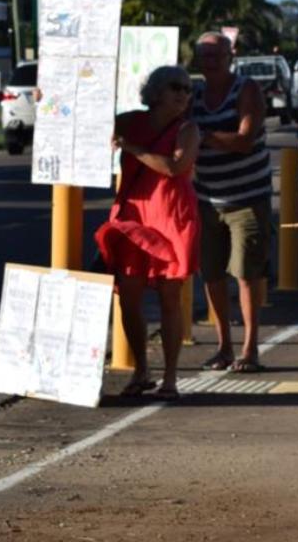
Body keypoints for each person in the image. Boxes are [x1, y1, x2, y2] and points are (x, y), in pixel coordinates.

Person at [95, 65, 200, 401]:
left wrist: (132, 148)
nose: (183, 94)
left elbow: (174, 167)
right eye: (175, 87)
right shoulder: (129, 121)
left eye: (187, 89)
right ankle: (141, 370)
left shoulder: (188, 130)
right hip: (133, 217)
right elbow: (86, 126)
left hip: (171, 218)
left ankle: (170, 378)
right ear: (155, 91)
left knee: (171, 298)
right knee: (128, 296)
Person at [191, 31, 272, 373]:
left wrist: (202, 136)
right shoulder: (193, 94)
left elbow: (244, 139)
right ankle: (224, 346)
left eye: (216, 55)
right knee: (211, 274)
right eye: (204, 55)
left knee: (246, 274)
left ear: (230, 56)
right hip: (207, 198)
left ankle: (250, 348)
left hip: (246, 199)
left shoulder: (246, 89)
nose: (210, 61)